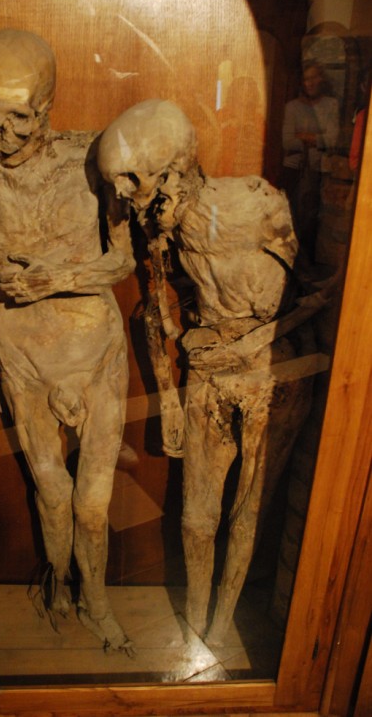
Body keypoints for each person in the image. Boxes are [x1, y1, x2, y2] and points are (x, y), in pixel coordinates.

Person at [98, 99, 329, 644]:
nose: (129, 200)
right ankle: (197, 627)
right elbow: (154, 306)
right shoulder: (164, 231)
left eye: (136, 183)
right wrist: (168, 399)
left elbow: (315, 297)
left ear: (173, 174)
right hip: (208, 372)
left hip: (273, 377)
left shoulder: (258, 204)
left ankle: (221, 627)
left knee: (249, 511)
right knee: (197, 518)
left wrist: (247, 344)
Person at [0, 29, 135, 653]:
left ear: (46, 106)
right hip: (20, 357)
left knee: (92, 505)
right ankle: (58, 585)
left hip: (96, 352)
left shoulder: (93, 157)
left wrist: (59, 277)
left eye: (19, 117)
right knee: (51, 492)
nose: (2, 133)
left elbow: (124, 260)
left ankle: (97, 603)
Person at [281, 60, 339, 262]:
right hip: (294, 171)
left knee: (314, 222)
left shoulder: (331, 105)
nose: (310, 83)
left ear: (321, 78)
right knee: (294, 218)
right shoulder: (292, 107)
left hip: (320, 172)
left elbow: (332, 140)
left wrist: (305, 136)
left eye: (314, 77)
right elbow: (287, 141)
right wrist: (318, 137)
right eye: (306, 79)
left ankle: (309, 265)